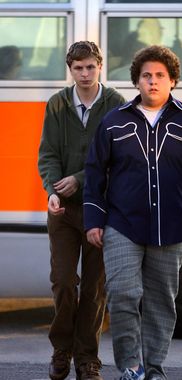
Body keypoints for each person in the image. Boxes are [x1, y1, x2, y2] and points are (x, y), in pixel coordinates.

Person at [83, 45, 182, 380]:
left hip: (172, 225)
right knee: (123, 294)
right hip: (122, 224)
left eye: (160, 75)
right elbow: (94, 172)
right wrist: (93, 220)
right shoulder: (114, 122)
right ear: (137, 81)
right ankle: (131, 366)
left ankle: (155, 369)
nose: (153, 82)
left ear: (173, 80)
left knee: (162, 301)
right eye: (146, 75)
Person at [38, 41, 125, 380]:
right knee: (62, 282)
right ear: (70, 70)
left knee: (94, 287)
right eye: (78, 68)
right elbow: (47, 155)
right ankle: (61, 352)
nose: (85, 74)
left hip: (101, 210)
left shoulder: (116, 105)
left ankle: (87, 358)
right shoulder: (58, 104)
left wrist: (78, 179)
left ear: (100, 66)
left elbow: (118, 160)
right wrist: (52, 191)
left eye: (90, 67)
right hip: (63, 211)